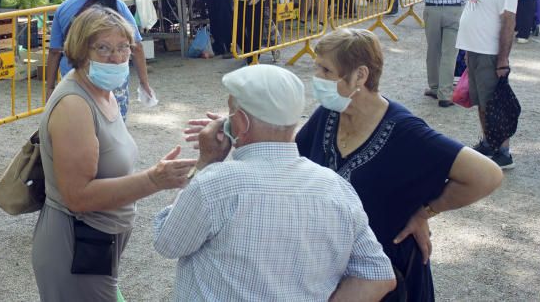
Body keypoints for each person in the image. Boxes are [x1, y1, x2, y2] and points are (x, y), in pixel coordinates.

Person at [297, 29, 503, 301]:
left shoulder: (405, 131)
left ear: (360, 75)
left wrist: (426, 211)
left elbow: (487, 175)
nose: (317, 78)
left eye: (326, 70)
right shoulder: (328, 114)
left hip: (386, 279)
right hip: (329, 271)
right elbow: (293, 163)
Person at [159, 65, 396, 302]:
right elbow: (377, 277)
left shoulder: (213, 184)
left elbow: (168, 242)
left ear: (241, 123)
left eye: (230, 112)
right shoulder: (337, 188)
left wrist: (203, 164)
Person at [33, 7, 195, 301]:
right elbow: (78, 197)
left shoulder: (103, 92)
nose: (118, 58)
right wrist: (154, 180)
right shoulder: (74, 105)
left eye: (123, 48)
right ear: (81, 51)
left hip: (98, 240)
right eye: (104, 48)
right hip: (78, 243)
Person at [46, 0, 153, 118]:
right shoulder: (117, 4)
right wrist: (144, 83)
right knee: (114, 122)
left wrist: (50, 88)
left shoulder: (64, 8)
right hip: (113, 74)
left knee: (82, 122)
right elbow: (137, 46)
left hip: (77, 76)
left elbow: (55, 52)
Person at [456, 0, 519, 169]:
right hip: (475, 51)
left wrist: (502, 59)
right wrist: (467, 50)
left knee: (494, 103)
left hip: (489, 54)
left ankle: (503, 151)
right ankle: (488, 142)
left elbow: (508, 23)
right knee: (482, 103)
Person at [414, 0, 472, 107]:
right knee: (449, 53)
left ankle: (434, 86)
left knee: (433, 50)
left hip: (432, 10)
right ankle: (445, 94)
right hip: (455, 10)